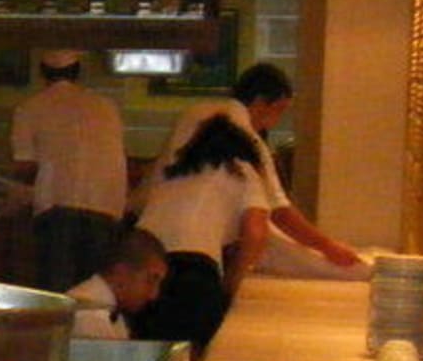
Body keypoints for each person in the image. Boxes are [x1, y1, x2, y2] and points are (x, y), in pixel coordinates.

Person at [140, 62, 362, 269]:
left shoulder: (193, 113)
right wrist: (328, 247)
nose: (275, 121)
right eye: (279, 110)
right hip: (196, 253)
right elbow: (279, 214)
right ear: (260, 102)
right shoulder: (246, 140)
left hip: (147, 237)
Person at [132, 113, 271, 351]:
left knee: (151, 357)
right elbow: (256, 232)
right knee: (191, 360)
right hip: (194, 270)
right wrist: (232, 284)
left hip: (143, 269)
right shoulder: (240, 170)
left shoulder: (173, 173)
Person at [9, 48, 130, 291]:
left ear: (42, 72)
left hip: (57, 211)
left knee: (58, 295)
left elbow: (24, 167)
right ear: (78, 71)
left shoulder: (30, 107)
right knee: (94, 295)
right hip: (105, 209)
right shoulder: (106, 106)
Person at [68, 225, 170, 340]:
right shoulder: (88, 315)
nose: (154, 295)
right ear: (121, 273)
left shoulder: (110, 312)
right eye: (150, 280)